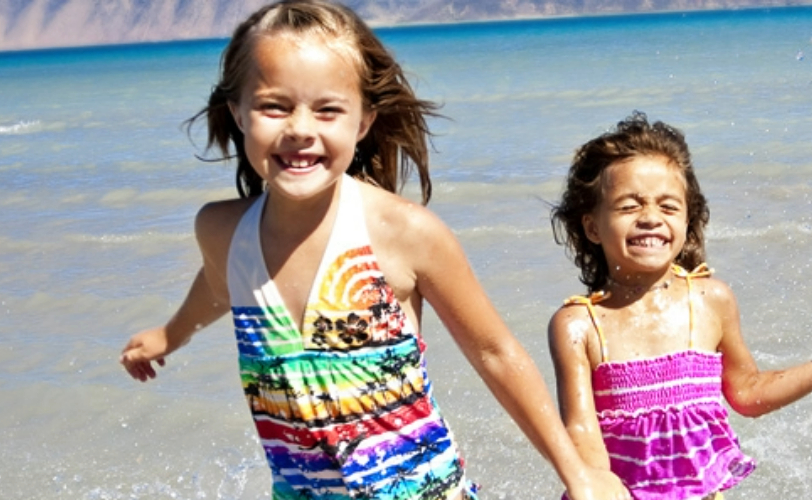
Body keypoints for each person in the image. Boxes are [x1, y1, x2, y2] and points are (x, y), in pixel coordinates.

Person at [116, 1, 629, 498]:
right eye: (274, 106)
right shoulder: (223, 230)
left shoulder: (403, 233)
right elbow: (219, 281)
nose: (299, 129)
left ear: (362, 122)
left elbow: (494, 353)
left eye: (327, 111)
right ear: (239, 112)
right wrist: (170, 334)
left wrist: (576, 471)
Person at [547, 112, 812, 500]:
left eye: (669, 207)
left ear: (688, 220)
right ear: (591, 227)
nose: (651, 218)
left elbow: (748, 393)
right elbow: (582, 432)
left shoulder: (710, 301)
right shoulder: (580, 325)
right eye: (629, 206)